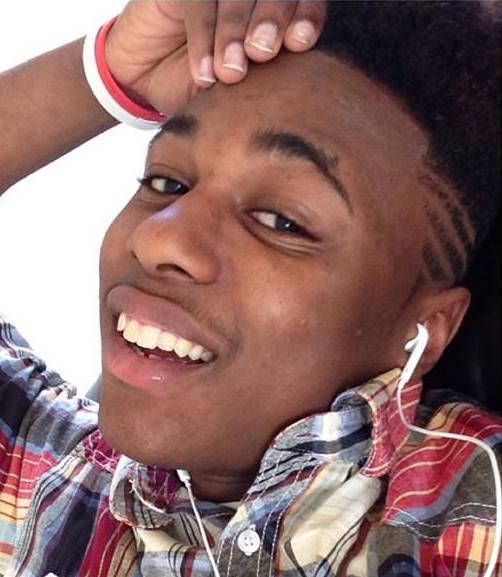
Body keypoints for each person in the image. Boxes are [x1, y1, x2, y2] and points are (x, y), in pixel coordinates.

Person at [0, 1, 500, 575]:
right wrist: (105, 74)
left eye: (281, 222)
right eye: (166, 182)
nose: (160, 239)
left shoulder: (475, 521)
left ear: (425, 330)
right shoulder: (60, 488)